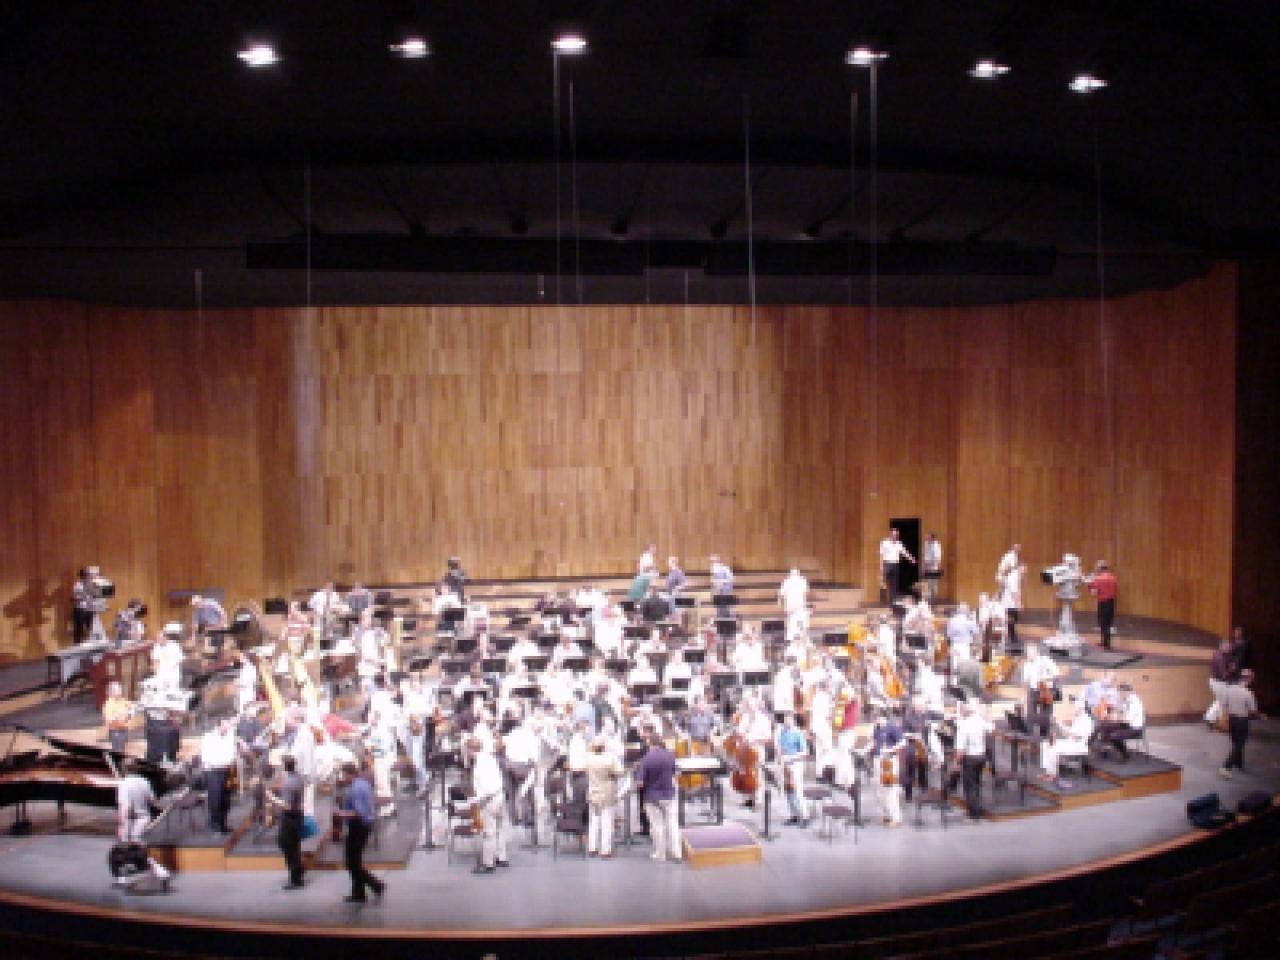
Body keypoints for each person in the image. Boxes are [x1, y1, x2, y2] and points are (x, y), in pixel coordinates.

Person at [335, 762, 385, 900]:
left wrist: (341, 814)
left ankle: (375, 885)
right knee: (354, 862)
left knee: (351, 863)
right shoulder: (364, 784)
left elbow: (359, 812)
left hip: (358, 827)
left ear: (349, 774)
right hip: (364, 826)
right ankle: (359, 892)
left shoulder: (355, 789)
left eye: (344, 775)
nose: (342, 778)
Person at [634, 732, 681, 862]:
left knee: (657, 826)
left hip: (652, 797)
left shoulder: (646, 759)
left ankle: (660, 854)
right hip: (669, 795)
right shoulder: (670, 755)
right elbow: (677, 773)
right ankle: (677, 853)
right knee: (672, 824)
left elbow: (640, 783)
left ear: (649, 743)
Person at [469, 735, 509, 873]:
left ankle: (488, 864)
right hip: (500, 797)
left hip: (489, 801)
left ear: (471, 750)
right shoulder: (490, 758)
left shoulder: (480, 764)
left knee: (489, 833)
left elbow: (486, 789)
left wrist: (473, 801)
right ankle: (501, 857)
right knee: (500, 829)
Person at [267, 754, 306, 889]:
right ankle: (298, 871)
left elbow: (287, 805)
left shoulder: (289, 783)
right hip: (297, 815)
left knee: (288, 847)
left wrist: (272, 798)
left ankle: (295, 879)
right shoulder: (298, 777)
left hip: (290, 817)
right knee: (294, 846)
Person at [585, 735, 623, 857]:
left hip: (593, 793)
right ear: (604, 746)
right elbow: (620, 772)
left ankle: (592, 848)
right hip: (607, 794)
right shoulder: (610, 759)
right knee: (607, 822)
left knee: (593, 821)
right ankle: (605, 851)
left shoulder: (588, 759)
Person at [1221, 669, 1263, 778]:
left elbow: (1224, 705)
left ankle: (1239, 764)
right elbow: (1253, 710)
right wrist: (1261, 716)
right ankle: (1226, 766)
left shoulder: (1229, 690)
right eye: (1252, 679)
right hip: (1242, 721)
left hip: (1231, 720)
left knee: (1236, 743)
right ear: (1248, 679)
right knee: (1239, 745)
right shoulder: (1247, 693)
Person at [1040, 699, 1094, 784]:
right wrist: (1061, 726)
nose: (1073, 711)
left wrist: (1068, 733)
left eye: (1075, 708)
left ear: (1080, 709)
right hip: (1070, 741)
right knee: (1045, 744)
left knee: (1054, 748)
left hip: (1079, 745)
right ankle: (1047, 772)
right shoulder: (1078, 718)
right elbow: (1070, 732)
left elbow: (1079, 736)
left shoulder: (1087, 721)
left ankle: (1053, 775)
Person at [954, 699, 990, 823]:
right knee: (977, 784)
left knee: (969, 787)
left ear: (967, 710)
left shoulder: (964, 725)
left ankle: (973, 816)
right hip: (981, 757)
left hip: (970, 759)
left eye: (962, 709)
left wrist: (957, 763)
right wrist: (985, 715)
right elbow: (991, 729)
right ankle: (977, 810)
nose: (961, 711)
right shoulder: (980, 720)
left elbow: (960, 749)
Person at [200, 717, 237, 834]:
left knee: (226, 799)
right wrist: (222, 763)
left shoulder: (230, 736)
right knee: (215, 800)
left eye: (229, 725)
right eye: (226, 724)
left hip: (227, 771)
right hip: (213, 772)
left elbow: (232, 753)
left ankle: (223, 823)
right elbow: (206, 758)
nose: (229, 727)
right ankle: (215, 825)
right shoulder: (208, 738)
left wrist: (230, 761)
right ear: (219, 725)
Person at [776, 713, 809, 826]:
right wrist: (780, 756)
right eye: (785, 720)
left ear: (793, 721)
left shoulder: (798, 733)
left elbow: (805, 752)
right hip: (785, 764)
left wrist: (791, 758)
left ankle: (805, 816)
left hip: (796, 764)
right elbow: (781, 747)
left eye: (789, 720)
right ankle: (794, 815)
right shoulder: (782, 732)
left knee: (798, 790)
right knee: (788, 791)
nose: (786, 722)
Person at [1096, 684, 1145, 760]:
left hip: (1135, 729)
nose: (1119, 695)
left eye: (1121, 692)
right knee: (1104, 726)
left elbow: (1127, 719)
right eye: (1119, 693)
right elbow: (1121, 711)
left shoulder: (1135, 703)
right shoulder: (1126, 700)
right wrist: (1113, 712)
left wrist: (1115, 718)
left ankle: (1124, 754)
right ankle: (1105, 749)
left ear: (1127, 692)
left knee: (1114, 735)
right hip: (1126, 725)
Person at [1021, 644, 1060, 738]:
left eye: (1030, 653)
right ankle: (1029, 734)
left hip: (1046, 690)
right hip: (1033, 690)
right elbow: (1025, 681)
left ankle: (1044, 735)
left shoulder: (1045, 660)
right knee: (1030, 713)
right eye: (1027, 653)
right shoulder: (1026, 665)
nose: (1028, 655)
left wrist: (1046, 679)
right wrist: (1023, 695)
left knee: (1045, 714)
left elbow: (1057, 673)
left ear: (1036, 652)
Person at [116, 759, 156, 842]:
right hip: (143, 819)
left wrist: (121, 826)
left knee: (126, 845)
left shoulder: (124, 783)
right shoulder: (145, 782)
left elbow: (125, 807)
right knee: (139, 844)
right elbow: (153, 801)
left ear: (124, 769)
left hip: (129, 821)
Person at [1205, 634, 1239, 729]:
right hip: (1218, 682)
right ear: (1223, 647)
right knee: (1222, 701)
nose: (1230, 650)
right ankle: (1212, 719)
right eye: (1229, 648)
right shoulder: (1220, 658)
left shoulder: (1219, 654)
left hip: (1216, 681)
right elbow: (1223, 675)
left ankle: (1212, 719)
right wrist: (1231, 669)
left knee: (1221, 701)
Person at [1086, 561, 1118, 650]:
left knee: (1103, 623)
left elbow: (1094, 593)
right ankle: (1106, 642)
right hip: (1111, 602)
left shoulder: (1098, 579)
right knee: (1109, 623)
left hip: (1103, 603)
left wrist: (1089, 586)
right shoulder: (1113, 578)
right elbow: (1115, 590)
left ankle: (1105, 644)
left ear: (1100, 569)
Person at [879, 528, 915, 602]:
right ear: (890, 534)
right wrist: (881, 566)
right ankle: (883, 600)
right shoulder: (885, 542)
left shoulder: (899, 544)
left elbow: (905, 552)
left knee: (894, 583)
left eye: (896, 535)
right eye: (893, 535)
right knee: (884, 583)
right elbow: (881, 555)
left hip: (895, 564)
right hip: (887, 564)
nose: (895, 536)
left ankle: (893, 600)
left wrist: (911, 558)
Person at [103, 681, 134, 754]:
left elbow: (130, 706)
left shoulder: (122, 700)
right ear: (111, 692)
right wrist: (124, 722)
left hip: (123, 729)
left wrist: (129, 712)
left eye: (120, 688)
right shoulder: (109, 705)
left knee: (123, 748)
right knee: (118, 750)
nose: (120, 691)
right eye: (118, 689)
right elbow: (111, 722)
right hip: (116, 733)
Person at [922, 533, 943, 601]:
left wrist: (937, 567)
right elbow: (925, 556)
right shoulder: (926, 544)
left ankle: (934, 599)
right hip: (927, 566)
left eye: (928, 538)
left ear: (932, 538)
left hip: (934, 567)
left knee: (934, 584)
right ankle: (928, 599)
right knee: (927, 583)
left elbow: (938, 558)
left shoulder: (936, 546)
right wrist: (924, 567)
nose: (926, 539)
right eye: (926, 538)